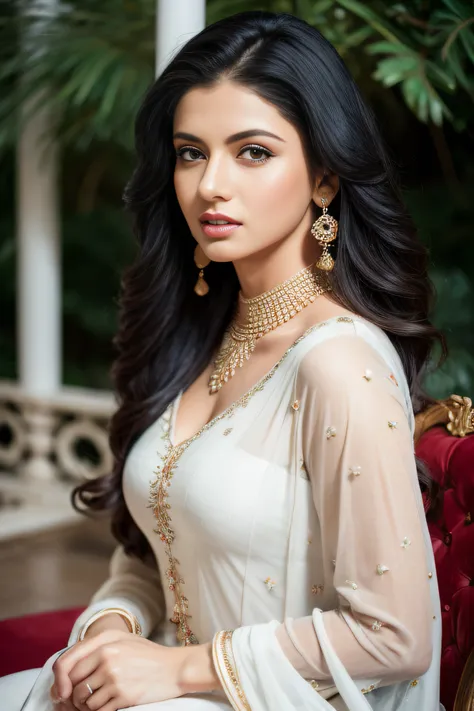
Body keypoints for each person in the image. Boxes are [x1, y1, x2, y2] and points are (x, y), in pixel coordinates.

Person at [1, 10, 446, 711]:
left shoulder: (340, 364)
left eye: (253, 151)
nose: (210, 185)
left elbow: (397, 637)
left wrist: (176, 671)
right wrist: (114, 627)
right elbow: (161, 552)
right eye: (190, 152)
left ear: (325, 178)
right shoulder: (206, 332)